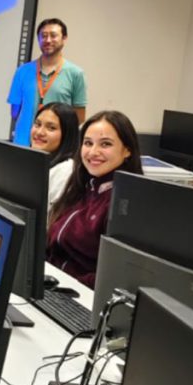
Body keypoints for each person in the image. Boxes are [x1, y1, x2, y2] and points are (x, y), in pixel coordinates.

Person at [47, 110, 142, 287]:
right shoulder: (82, 188)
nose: (93, 152)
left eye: (105, 144)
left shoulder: (126, 205)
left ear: (127, 150)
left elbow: (113, 276)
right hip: (54, 284)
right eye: (88, 143)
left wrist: (65, 287)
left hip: (79, 295)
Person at [8, 18, 87, 147]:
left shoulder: (76, 74)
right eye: (43, 36)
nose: (48, 40)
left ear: (64, 38)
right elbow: (15, 111)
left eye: (53, 35)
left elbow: (79, 117)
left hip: (56, 148)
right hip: (22, 144)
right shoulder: (22, 71)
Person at [30, 102, 80, 206]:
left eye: (51, 128)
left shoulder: (66, 170)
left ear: (67, 134)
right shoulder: (34, 161)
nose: (39, 132)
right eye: (37, 124)